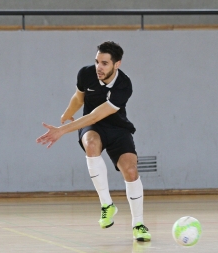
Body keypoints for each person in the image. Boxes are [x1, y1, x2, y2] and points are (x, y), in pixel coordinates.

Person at [36, 41, 151, 242]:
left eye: (105, 63)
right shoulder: (86, 74)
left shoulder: (124, 85)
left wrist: (61, 131)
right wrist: (67, 114)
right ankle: (107, 205)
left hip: (116, 128)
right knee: (90, 144)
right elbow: (79, 98)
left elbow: (96, 115)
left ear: (117, 64)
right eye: (97, 61)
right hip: (93, 129)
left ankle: (138, 224)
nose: (99, 67)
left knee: (131, 171)